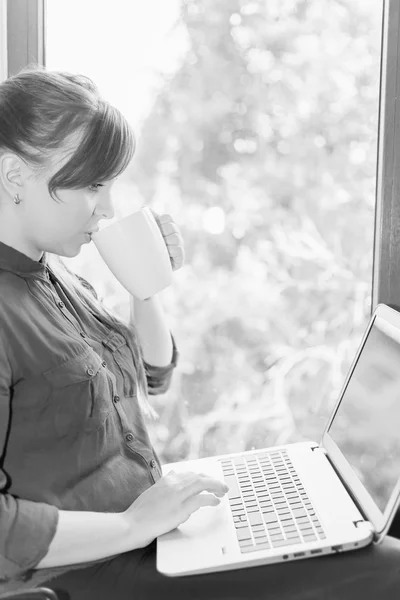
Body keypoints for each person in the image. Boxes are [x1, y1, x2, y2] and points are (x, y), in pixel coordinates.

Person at [0, 67, 400, 600]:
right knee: (386, 569)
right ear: (13, 176)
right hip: (84, 572)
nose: (109, 207)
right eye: (93, 184)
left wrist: (147, 286)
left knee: (362, 542)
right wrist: (132, 526)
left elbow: (150, 376)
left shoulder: (54, 274)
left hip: (147, 535)